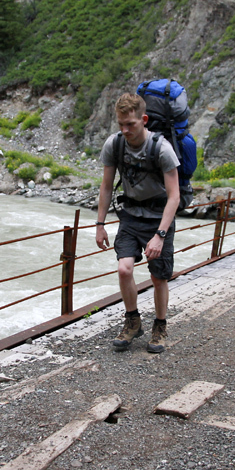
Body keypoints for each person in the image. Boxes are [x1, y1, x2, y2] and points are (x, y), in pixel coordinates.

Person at [96, 93, 180, 354]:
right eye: (120, 124)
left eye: (130, 124)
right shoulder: (115, 144)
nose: (125, 130)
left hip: (158, 218)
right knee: (124, 269)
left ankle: (160, 326)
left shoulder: (162, 148)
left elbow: (174, 195)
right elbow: (106, 186)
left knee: (158, 276)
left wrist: (160, 235)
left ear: (143, 120)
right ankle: (133, 321)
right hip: (130, 216)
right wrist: (99, 224)